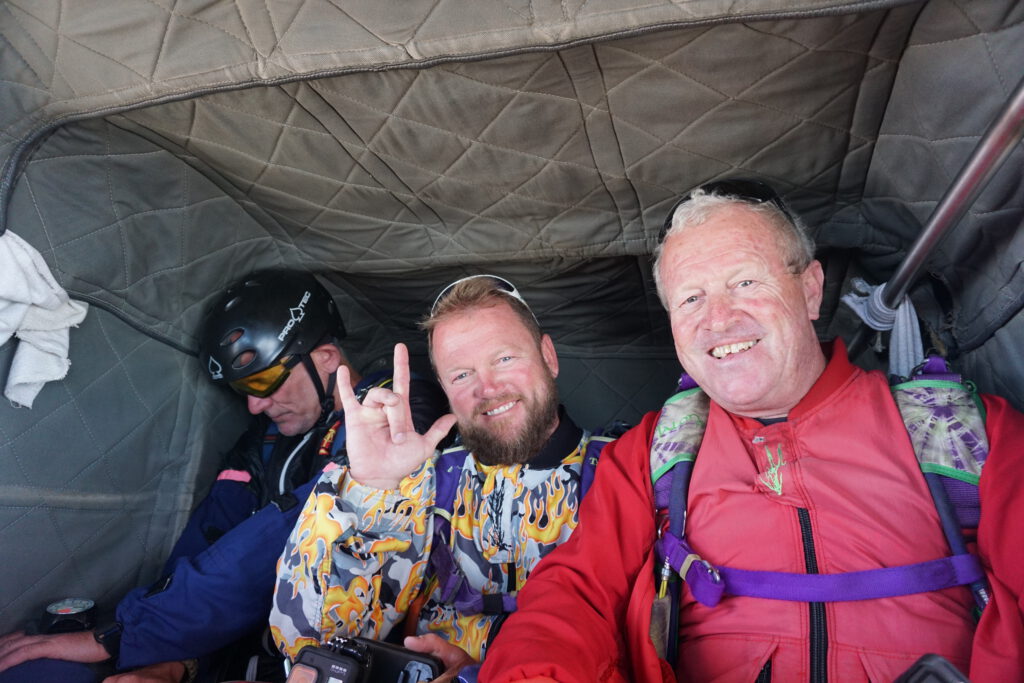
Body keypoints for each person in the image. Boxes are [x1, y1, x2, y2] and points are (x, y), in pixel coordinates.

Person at [478, 180, 1024, 682]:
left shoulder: (970, 433)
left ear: (811, 290)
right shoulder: (649, 454)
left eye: (745, 281)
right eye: (691, 297)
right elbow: (573, 596)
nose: (718, 319)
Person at [0, 270, 448, 683]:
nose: (254, 405)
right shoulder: (265, 441)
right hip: (247, 649)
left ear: (327, 357)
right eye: (241, 389)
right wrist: (173, 663)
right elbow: (210, 540)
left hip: (371, 646)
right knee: (40, 671)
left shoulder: (396, 406)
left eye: (264, 381)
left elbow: (296, 533)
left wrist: (121, 635)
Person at [269, 275, 616, 678]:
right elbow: (313, 640)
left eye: (505, 358)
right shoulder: (427, 483)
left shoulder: (626, 471)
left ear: (548, 357)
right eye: (461, 375)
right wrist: (370, 489)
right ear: (445, 391)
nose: (487, 388)